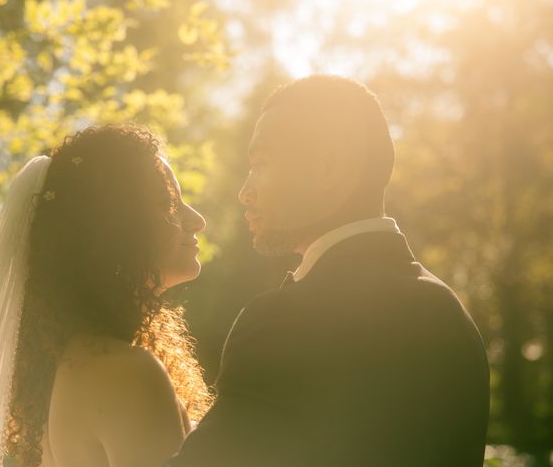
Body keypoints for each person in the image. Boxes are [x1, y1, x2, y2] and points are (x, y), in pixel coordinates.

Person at [168, 75, 490, 466]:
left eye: (261, 164)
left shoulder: (285, 321)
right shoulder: (451, 315)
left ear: (328, 170)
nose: (244, 191)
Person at [0, 124, 212, 467]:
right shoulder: (127, 373)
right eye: (169, 204)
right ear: (117, 229)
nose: (197, 220)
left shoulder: (71, 365)